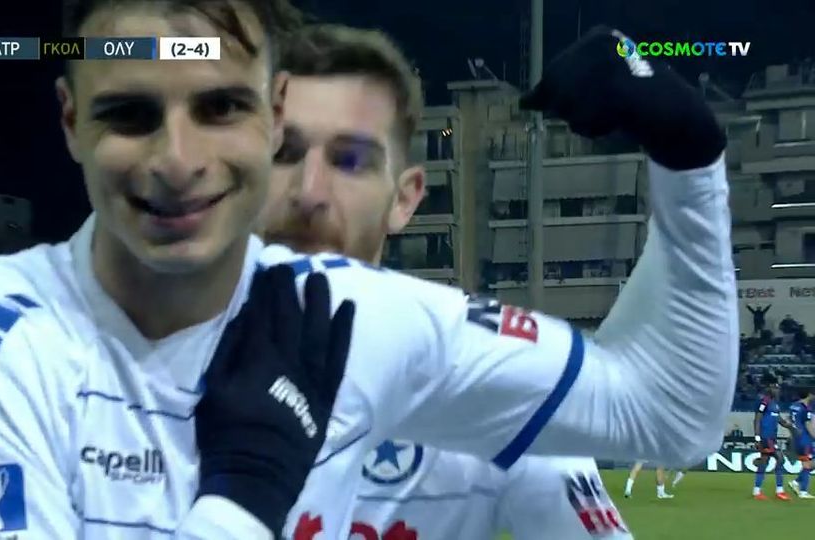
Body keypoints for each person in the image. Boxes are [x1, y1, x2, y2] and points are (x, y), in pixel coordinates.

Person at [0, 0, 736, 536]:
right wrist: (245, 497)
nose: (177, 161)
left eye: (220, 107)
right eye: (130, 114)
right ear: (70, 122)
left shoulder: (362, 315)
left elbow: (669, 412)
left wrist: (690, 158)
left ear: (272, 111)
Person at [261, 24, 632, 539]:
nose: (308, 192)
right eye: (282, 153)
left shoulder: (498, 383)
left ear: (404, 199)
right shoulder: (151, 361)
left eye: (349, 161)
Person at [753, 374, 795, 500]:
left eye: (778, 388)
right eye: (775, 388)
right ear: (770, 388)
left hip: (772, 437)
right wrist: (757, 438)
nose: (778, 390)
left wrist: (790, 426)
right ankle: (779, 490)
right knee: (780, 459)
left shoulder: (775, 404)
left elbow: (779, 420)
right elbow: (757, 419)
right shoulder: (764, 401)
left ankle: (757, 491)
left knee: (765, 461)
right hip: (766, 437)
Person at [788, 388, 815, 498]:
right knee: (807, 464)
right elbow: (808, 425)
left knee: (810, 463)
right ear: (809, 395)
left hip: (797, 438)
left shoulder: (793, 406)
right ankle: (803, 491)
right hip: (805, 439)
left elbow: (789, 421)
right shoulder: (806, 408)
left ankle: (796, 482)